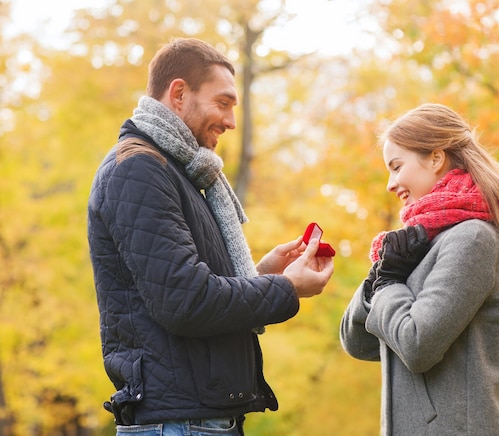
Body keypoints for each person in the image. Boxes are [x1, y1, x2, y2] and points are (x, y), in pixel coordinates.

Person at [87, 38, 334, 435]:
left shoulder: (175, 171)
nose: (231, 121)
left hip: (196, 420)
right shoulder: (139, 170)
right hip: (180, 424)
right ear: (179, 93)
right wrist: (285, 288)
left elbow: (186, 286)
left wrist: (263, 273)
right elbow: (187, 301)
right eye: (223, 103)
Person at [340, 103, 499, 435]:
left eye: (397, 166)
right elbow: (358, 342)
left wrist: (389, 282)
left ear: (436, 158)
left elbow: (417, 346)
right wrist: (378, 276)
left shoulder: (473, 238)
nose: (391, 184)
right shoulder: (418, 243)